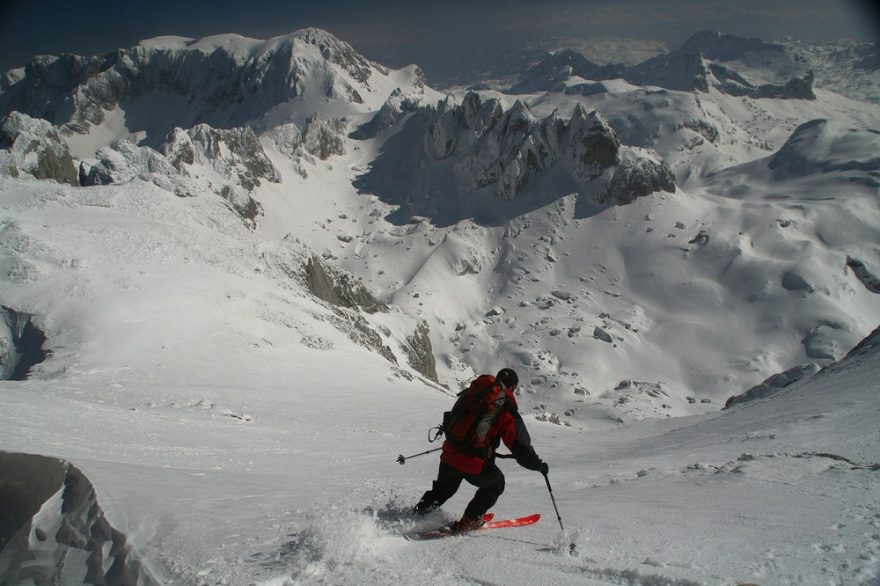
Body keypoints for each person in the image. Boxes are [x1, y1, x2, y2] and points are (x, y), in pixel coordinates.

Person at [413, 368, 548, 532]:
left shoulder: (473, 393)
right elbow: (520, 447)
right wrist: (538, 465)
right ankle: (469, 520)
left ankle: (418, 513)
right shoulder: (504, 407)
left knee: (444, 489)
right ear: (512, 388)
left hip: (450, 453)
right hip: (474, 462)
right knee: (496, 485)